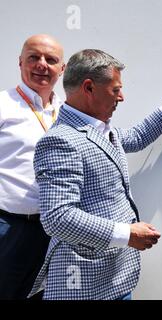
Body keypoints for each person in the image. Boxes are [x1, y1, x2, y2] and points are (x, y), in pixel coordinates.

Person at [28, 49, 162, 300]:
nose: (122, 97)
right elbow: (58, 217)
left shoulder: (98, 128)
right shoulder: (61, 141)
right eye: (115, 89)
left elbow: (136, 137)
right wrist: (128, 234)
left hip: (114, 278)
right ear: (88, 88)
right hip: (84, 284)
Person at [0, 34, 65, 300]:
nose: (42, 65)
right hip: (8, 228)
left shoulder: (67, 111)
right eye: (33, 57)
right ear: (20, 62)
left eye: (51, 60)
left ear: (62, 69)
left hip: (55, 232)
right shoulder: (3, 105)